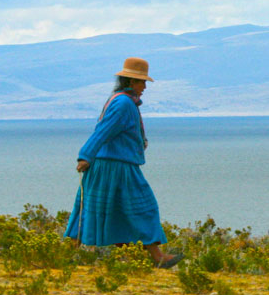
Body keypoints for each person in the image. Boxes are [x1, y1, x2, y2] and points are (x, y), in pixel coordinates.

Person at [64, 57, 182, 268]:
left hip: (114, 164)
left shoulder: (123, 101)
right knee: (143, 208)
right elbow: (104, 131)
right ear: (129, 81)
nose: (145, 86)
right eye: (141, 82)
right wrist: (85, 155)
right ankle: (158, 258)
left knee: (99, 209)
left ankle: (67, 256)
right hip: (115, 166)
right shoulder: (123, 103)